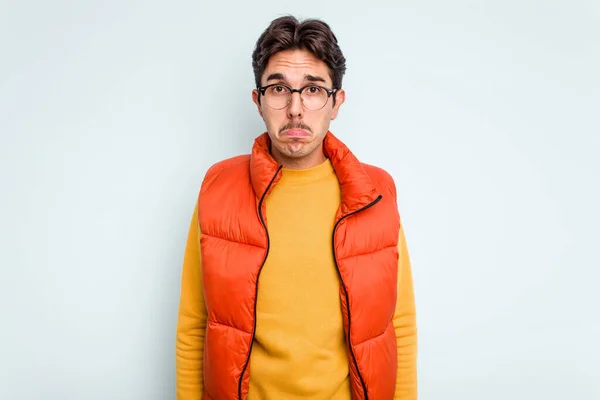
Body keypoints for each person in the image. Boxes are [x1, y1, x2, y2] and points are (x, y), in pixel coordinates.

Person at [176, 15, 417, 400]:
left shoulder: (375, 191)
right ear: (258, 101)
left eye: (313, 89)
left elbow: (398, 325)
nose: (295, 109)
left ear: (336, 101)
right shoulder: (219, 188)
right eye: (278, 89)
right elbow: (194, 324)